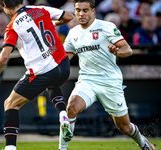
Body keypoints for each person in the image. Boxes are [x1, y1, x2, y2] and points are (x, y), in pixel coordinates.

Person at [58, 0, 158, 150]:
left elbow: (128, 49)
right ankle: (62, 148)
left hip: (110, 82)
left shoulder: (106, 27)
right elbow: (65, 58)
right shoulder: (73, 33)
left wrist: (117, 51)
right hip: (87, 80)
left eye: (85, 10)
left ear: (93, 11)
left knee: (125, 128)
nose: (81, 14)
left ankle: (143, 143)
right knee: (71, 109)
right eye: (78, 10)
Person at [0, 0, 74, 150]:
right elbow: (69, 16)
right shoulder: (39, 9)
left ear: (4, 5)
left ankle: (10, 147)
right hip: (63, 65)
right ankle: (63, 114)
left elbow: (4, 57)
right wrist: (53, 24)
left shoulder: (12, 26)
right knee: (52, 83)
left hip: (43, 71)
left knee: (10, 104)